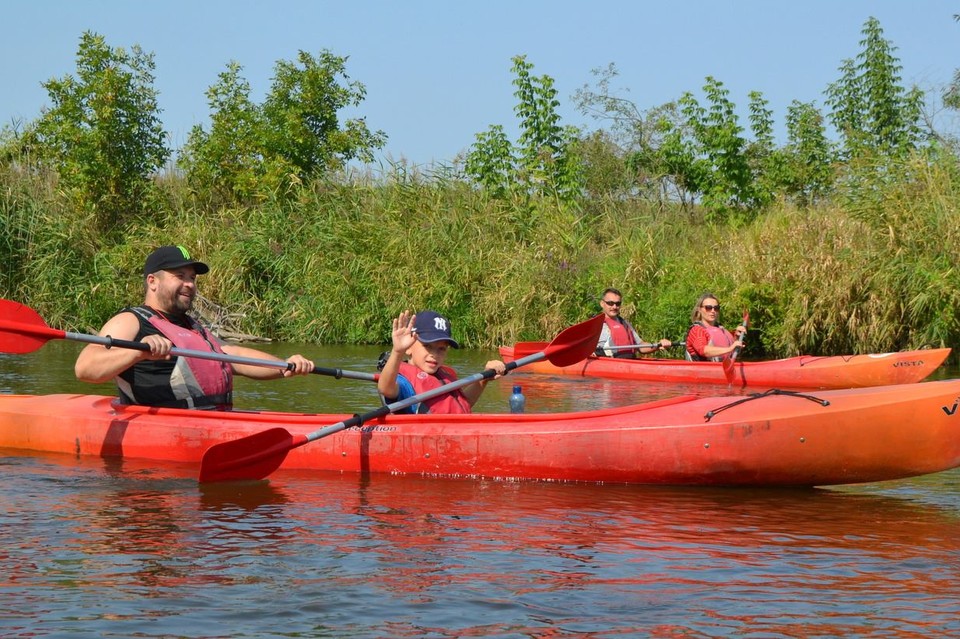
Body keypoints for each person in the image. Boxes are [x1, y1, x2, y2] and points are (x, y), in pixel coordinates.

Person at [74, 245, 315, 409]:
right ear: (152, 282)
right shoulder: (131, 321)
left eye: (192, 278)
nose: (189, 284)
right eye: (180, 276)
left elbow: (233, 356)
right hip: (159, 429)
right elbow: (85, 368)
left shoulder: (192, 326)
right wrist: (137, 351)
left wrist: (284, 366)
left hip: (210, 421)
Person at [377, 310, 507, 414]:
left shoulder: (445, 374)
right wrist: (397, 352)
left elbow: (461, 405)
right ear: (409, 347)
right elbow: (385, 388)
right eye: (427, 346)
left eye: (442, 349)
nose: (434, 355)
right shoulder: (404, 382)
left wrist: (483, 379)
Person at [595, 288, 671, 358]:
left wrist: (657, 345)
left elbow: (640, 346)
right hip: (607, 366)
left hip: (628, 366)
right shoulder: (594, 324)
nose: (614, 307)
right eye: (610, 303)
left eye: (618, 304)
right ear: (602, 303)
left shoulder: (625, 324)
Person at [684, 292, 746, 362]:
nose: (713, 311)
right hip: (703, 370)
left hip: (722, 367)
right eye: (708, 308)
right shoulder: (696, 330)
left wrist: (736, 338)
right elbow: (704, 350)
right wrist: (730, 348)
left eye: (716, 308)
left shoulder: (720, 329)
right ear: (699, 310)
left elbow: (729, 347)